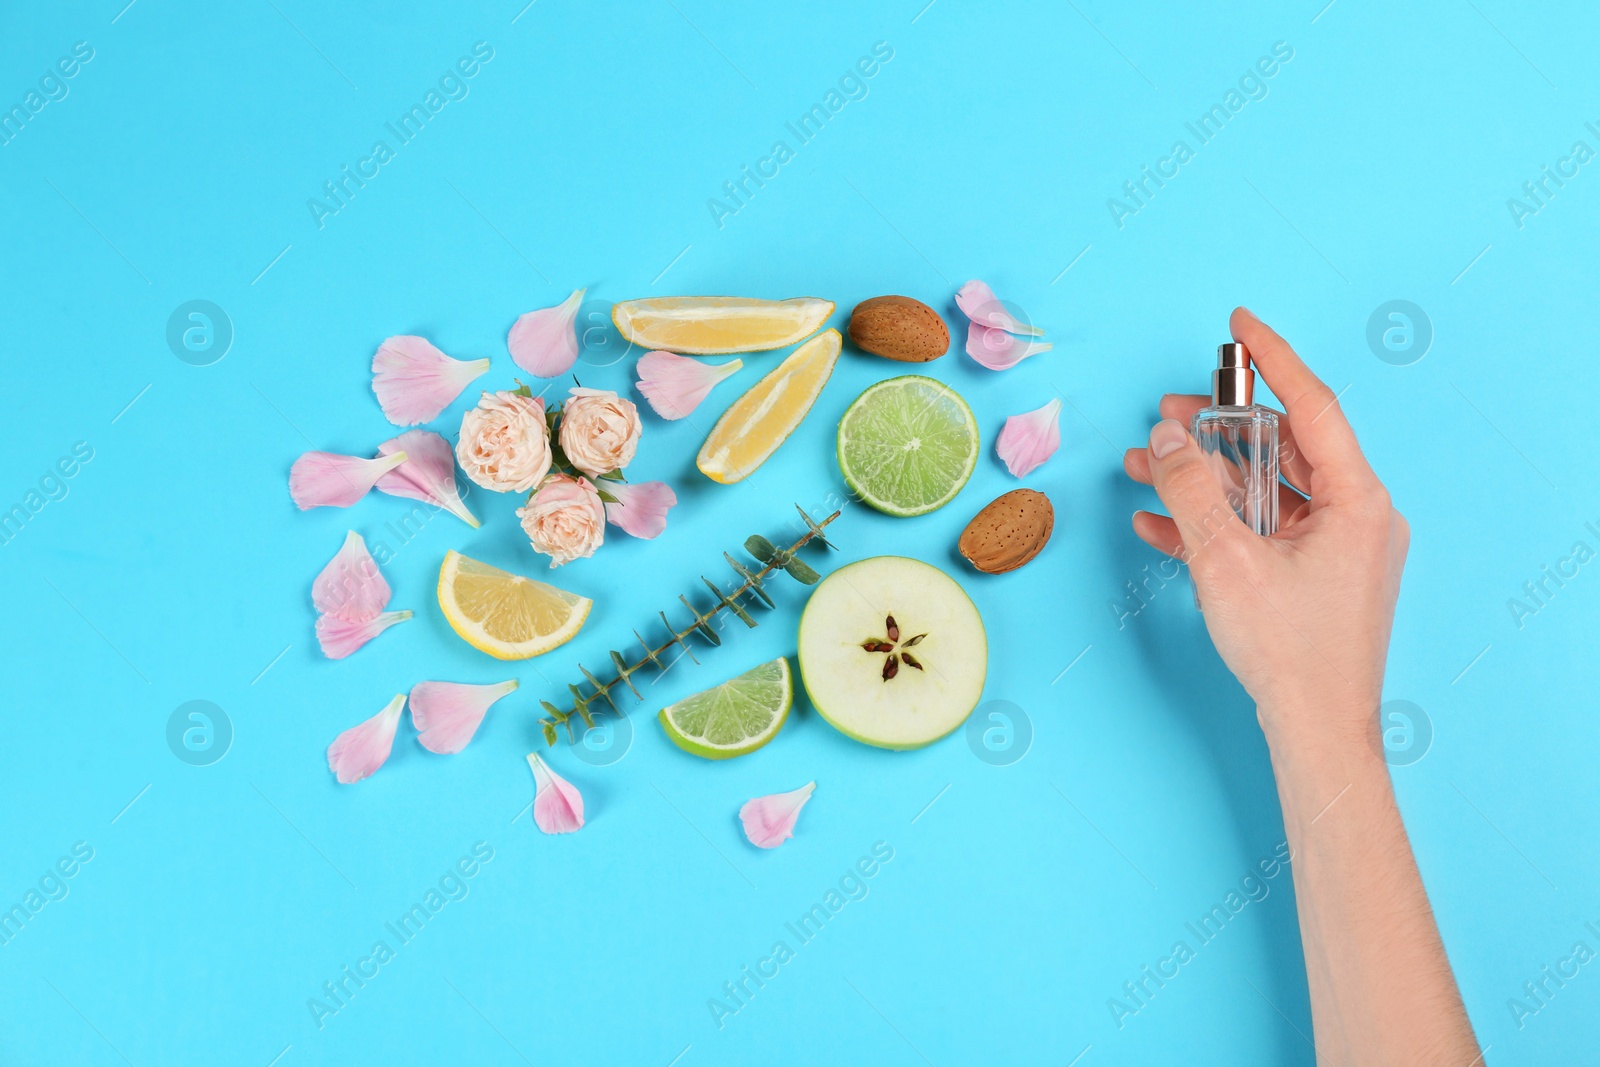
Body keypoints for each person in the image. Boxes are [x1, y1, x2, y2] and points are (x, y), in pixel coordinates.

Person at [1121, 308, 1481, 1064]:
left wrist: (1315, 703)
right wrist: (1319, 711)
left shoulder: (1231, 426)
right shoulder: (1235, 423)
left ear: (1237, 391)